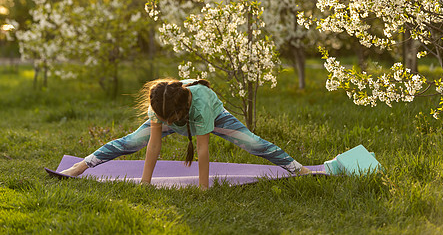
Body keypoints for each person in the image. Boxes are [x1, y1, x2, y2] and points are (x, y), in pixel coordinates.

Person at [60, 78, 310, 189]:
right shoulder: (159, 103)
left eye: (166, 119)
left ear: (179, 112)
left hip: (214, 114)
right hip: (173, 111)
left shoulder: (200, 105)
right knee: (132, 140)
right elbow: (153, 146)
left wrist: (203, 189)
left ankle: (299, 168)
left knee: (252, 143)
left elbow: (202, 149)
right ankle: (82, 165)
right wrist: (145, 184)